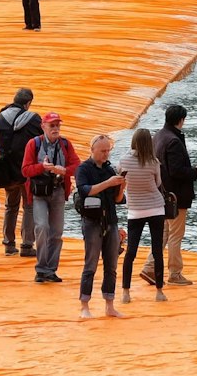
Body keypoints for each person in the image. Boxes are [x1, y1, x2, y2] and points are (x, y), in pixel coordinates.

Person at [74, 133, 126, 318]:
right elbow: (86, 190)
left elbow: (118, 199)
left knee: (111, 265)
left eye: (108, 151)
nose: (106, 154)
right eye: (103, 151)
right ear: (93, 150)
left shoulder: (110, 170)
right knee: (91, 264)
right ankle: (84, 305)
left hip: (110, 220)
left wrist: (121, 185)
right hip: (92, 221)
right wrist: (108, 183)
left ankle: (109, 304)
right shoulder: (83, 169)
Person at [22, 111, 78, 283]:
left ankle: (50, 269)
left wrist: (64, 170)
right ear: (43, 127)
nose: (55, 128)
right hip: (39, 193)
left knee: (57, 231)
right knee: (41, 227)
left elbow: (77, 165)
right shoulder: (34, 144)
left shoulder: (66, 144)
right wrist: (42, 167)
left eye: (57, 125)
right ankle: (41, 267)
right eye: (52, 125)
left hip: (58, 191)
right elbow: (25, 170)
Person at [145, 104, 196, 287]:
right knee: (175, 234)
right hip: (176, 196)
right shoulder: (174, 141)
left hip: (161, 193)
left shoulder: (157, 137)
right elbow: (176, 171)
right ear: (181, 120)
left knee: (164, 234)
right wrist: (195, 171)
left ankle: (150, 266)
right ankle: (175, 272)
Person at [117, 127, 167, 304]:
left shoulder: (124, 160)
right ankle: (159, 291)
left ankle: (125, 292)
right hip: (155, 207)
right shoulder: (154, 162)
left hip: (135, 209)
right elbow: (158, 183)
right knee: (157, 250)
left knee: (131, 251)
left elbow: (120, 180)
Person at [0, 89, 42, 259]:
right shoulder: (34, 119)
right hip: (27, 171)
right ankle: (27, 244)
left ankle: (8, 244)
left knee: (10, 206)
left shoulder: (0, 118)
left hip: (6, 171)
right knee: (29, 207)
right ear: (28, 103)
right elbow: (41, 144)